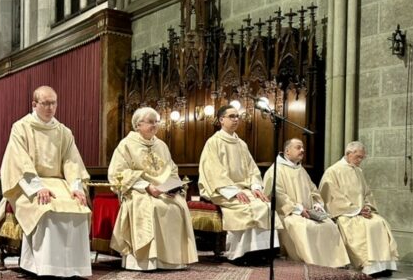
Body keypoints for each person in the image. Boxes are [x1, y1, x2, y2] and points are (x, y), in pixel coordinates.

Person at [0, 86, 92, 278]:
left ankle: (74, 268)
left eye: (53, 103)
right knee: (46, 209)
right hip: (29, 184)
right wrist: (37, 187)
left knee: (79, 207)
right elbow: (19, 161)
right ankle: (41, 266)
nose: (50, 108)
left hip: (60, 183)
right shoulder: (21, 127)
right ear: (34, 104)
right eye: (45, 103)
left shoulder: (64, 131)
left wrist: (76, 187)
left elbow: (71, 161)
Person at [108, 107, 198, 270]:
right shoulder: (126, 145)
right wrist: (147, 186)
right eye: (150, 122)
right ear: (138, 125)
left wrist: (172, 187)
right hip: (139, 191)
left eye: (157, 122)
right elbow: (118, 173)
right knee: (155, 207)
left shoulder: (161, 145)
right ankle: (148, 261)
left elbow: (172, 169)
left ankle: (172, 261)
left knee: (178, 206)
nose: (155, 125)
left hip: (163, 191)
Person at [198, 104, 282, 263]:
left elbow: (252, 170)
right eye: (232, 116)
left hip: (244, 188)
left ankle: (262, 252)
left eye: (237, 116)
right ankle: (239, 254)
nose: (236, 119)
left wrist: (256, 187)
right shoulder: (213, 142)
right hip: (222, 190)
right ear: (221, 120)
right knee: (247, 207)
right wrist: (233, 191)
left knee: (264, 205)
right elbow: (213, 171)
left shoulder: (241, 144)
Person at [263, 138, 350, 268]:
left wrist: (317, 205)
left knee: (329, 225)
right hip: (288, 214)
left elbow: (314, 190)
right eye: (298, 147)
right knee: (305, 227)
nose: (302, 150)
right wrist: (298, 209)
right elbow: (278, 194)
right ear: (287, 151)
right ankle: (313, 264)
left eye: (303, 147)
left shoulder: (301, 169)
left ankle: (335, 263)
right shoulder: (275, 170)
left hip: (308, 212)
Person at [319, 141, 398, 276]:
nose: (360, 160)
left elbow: (367, 193)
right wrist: (356, 210)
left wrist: (367, 207)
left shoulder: (358, 171)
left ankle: (384, 265)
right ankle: (368, 266)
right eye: (358, 157)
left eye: (362, 157)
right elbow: (333, 196)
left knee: (379, 222)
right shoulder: (333, 171)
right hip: (345, 213)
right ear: (349, 154)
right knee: (363, 227)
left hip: (362, 212)